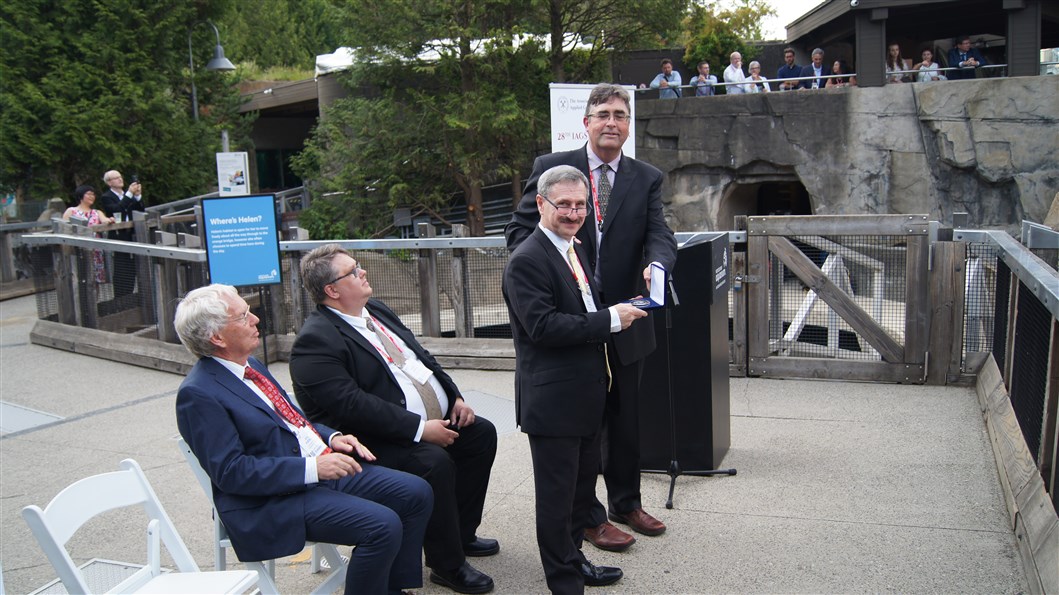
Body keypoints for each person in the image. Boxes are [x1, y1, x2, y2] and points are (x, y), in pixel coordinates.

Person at [505, 83, 677, 555]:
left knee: (625, 420)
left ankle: (626, 502)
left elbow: (660, 233)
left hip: (626, 319)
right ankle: (588, 518)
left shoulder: (646, 178)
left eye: (620, 115)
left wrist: (656, 265)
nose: (611, 122)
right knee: (581, 426)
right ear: (586, 121)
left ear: (628, 124)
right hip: (569, 321)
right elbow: (518, 232)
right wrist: (553, 273)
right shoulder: (551, 169)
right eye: (602, 113)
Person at [174, 284, 433, 595]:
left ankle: (392, 588)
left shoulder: (250, 366)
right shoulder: (198, 393)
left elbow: (293, 421)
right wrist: (313, 468)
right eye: (242, 317)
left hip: (313, 470)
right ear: (217, 337)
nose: (255, 320)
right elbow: (232, 472)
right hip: (272, 501)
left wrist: (332, 437)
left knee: (415, 492)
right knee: (381, 526)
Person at [290, 244, 498, 595]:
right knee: (434, 463)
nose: (363, 272)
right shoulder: (315, 341)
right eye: (354, 271)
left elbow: (421, 359)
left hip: (421, 424)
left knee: (481, 435)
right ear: (332, 290)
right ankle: (447, 564)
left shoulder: (375, 311)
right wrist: (419, 430)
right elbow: (351, 406)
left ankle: (460, 535)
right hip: (369, 442)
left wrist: (455, 396)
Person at [503, 164, 649, 593]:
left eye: (580, 205)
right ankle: (565, 583)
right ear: (540, 204)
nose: (572, 212)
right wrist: (611, 321)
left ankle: (574, 560)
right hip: (554, 402)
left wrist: (617, 311)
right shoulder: (526, 260)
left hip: (586, 393)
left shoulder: (574, 247)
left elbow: (582, 306)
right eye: (563, 204)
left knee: (581, 494)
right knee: (556, 499)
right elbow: (543, 328)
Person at [99, 170, 145, 297]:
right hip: (119, 235)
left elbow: (140, 210)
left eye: (120, 177)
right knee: (121, 267)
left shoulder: (127, 195)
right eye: (116, 178)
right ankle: (120, 296)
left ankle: (132, 294)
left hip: (132, 234)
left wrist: (137, 196)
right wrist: (130, 194)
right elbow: (116, 209)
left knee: (133, 266)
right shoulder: (107, 196)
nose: (120, 179)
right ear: (109, 182)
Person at [63, 184, 114, 284]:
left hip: (96, 250)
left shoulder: (97, 212)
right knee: (80, 278)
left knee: (95, 280)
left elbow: (104, 220)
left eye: (93, 194)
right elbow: (63, 226)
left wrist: (110, 220)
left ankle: (95, 299)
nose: (92, 196)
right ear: (81, 196)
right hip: (78, 249)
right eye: (89, 194)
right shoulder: (71, 211)